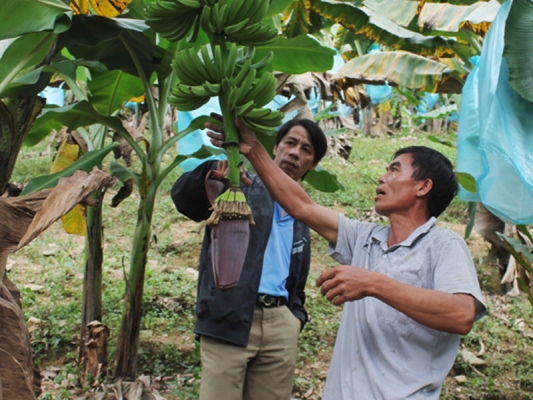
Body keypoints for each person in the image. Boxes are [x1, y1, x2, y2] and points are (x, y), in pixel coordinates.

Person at [205, 117, 487, 400]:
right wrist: (254, 149)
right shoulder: (365, 238)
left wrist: (374, 284)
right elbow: (302, 206)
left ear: (422, 187)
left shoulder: (443, 244)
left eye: (394, 170)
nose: (382, 177)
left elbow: (461, 314)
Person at [170, 118, 328, 400]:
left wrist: (295, 317)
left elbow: (297, 275)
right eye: (290, 143)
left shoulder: (305, 214)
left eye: (306, 150)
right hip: (229, 317)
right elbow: (184, 200)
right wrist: (210, 172)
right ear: (276, 147)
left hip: (280, 326)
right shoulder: (239, 186)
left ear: (312, 165)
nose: (295, 152)